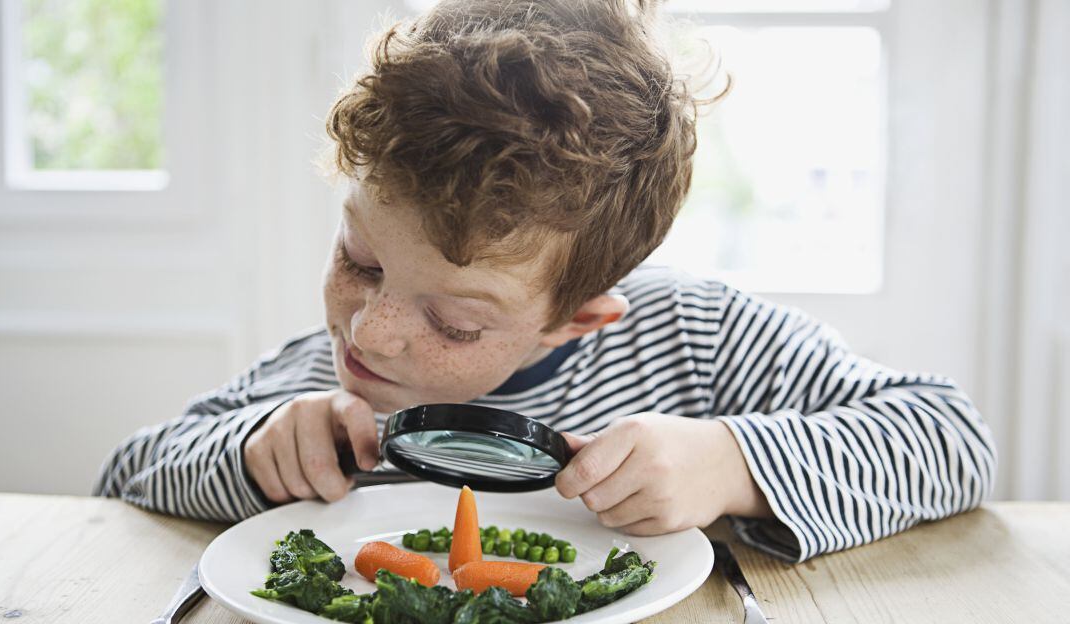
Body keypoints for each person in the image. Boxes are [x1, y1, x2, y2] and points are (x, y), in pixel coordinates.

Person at [94, 0, 995, 562]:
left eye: (453, 322)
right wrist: (250, 452)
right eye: (357, 262)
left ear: (579, 319)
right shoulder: (323, 388)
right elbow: (125, 476)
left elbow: (953, 439)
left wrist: (733, 465)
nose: (368, 333)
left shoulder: (698, 340)